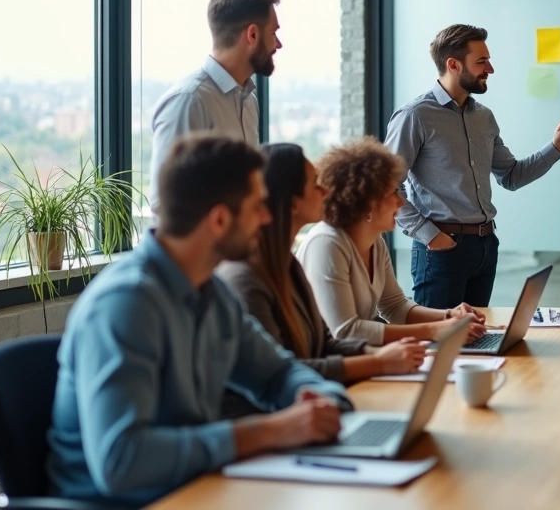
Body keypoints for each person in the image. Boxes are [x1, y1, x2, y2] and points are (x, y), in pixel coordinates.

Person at [47, 135, 348, 507]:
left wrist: (321, 402)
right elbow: (121, 461)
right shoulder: (125, 305)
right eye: (257, 207)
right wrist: (267, 431)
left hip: (201, 489)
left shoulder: (212, 294)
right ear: (220, 219)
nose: (268, 218)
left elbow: (277, 374)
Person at [217, 143, 427, 415]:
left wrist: (381, 355)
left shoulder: (287, 263)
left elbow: (324, 344)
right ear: (293, 205)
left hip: (306, 410)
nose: (326, 191)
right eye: (316, 185)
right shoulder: (245, 278)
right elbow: (284, 370)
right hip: (280, 421)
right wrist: (380, 362)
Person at [384, 24, 560, 309]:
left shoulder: (483, 117)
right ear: (453, 64)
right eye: (481, 61)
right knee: (439, 344)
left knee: (475, 341)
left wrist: (556, 147)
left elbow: (511, 176)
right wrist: (430, 235)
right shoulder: (415, 116)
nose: (490, 69)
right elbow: (385, 187)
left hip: (485, 246)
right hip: (441, 248)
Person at [296, 137, 487, 346]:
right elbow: (345, 332)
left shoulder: (375, 240)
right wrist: (434, 330)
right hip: (328, 369)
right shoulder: (326, 243)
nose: (401, 201)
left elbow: (395, 307)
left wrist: (449, 317)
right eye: (392, 192)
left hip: (358, 356)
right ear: (367, 202)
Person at [149, 0, 282, 210]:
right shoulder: (189, 101)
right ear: (252, 34)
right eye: (273, 33)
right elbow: (166, 204)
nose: (278, 44)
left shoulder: (249, 100)